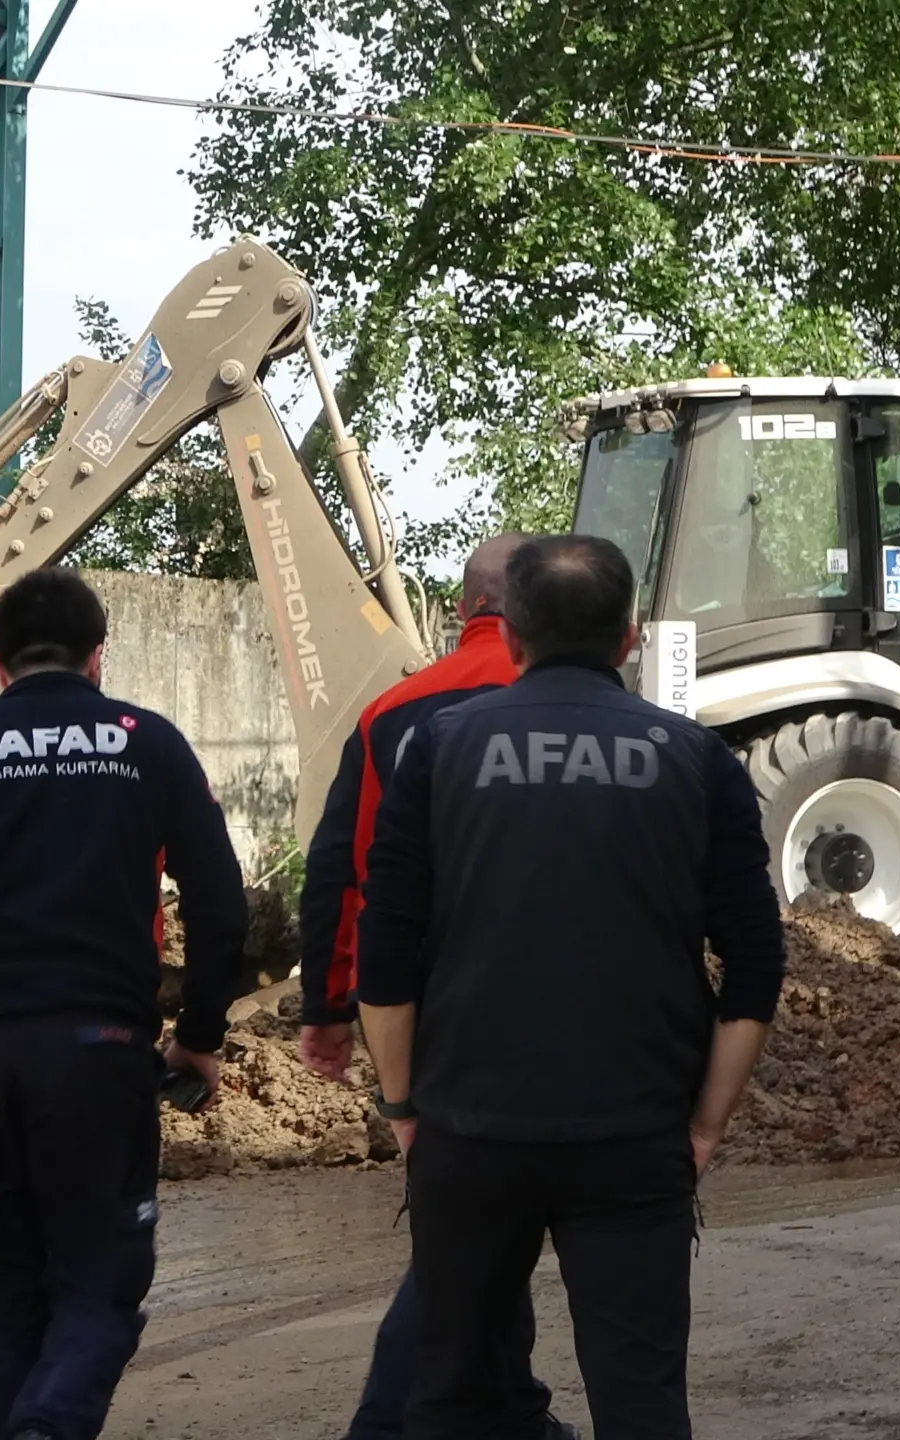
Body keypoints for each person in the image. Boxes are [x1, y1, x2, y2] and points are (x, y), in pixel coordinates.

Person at [354, 534, 786, 1440]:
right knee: (640, 1398)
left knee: (450, 1395)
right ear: (629, 638)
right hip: (634, 1135)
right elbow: (754, 966)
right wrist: (704, 1124)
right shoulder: (698, 762)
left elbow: (383, 954)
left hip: (469, 1131)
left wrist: (403, 1107)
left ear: (509, 634)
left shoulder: (437, 749)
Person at [0, 567, 249, 1440]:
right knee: (100, 1281)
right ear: (99, 659)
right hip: (99, 1054)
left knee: (1, 1287)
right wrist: (200, 1036)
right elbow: (221, 906)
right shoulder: (152, 745)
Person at [294, 534, 572, 1440]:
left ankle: (512, 1411)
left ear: (464, 609)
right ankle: (394, 1423)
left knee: (478, 1221)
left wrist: (332, 1009)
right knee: (475, 1240)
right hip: (555, 1005)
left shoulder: (390, 715)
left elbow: (337, 869)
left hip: (423, 1010)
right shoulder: (581, 711)